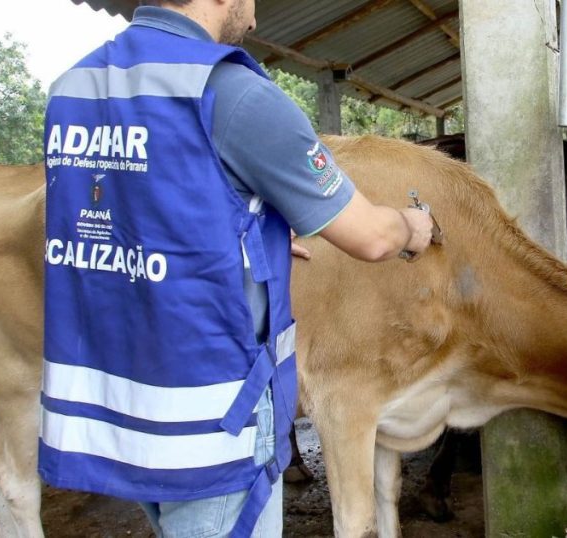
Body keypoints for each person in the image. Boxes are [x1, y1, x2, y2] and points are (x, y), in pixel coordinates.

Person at [39, 0, 435, 536]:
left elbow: (139, 208)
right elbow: (371, 236)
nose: (253, 15)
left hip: (121, 409)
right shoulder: (234, 93)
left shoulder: (74, 86)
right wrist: (413, 226)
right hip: (207, 422)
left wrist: (254, 231)